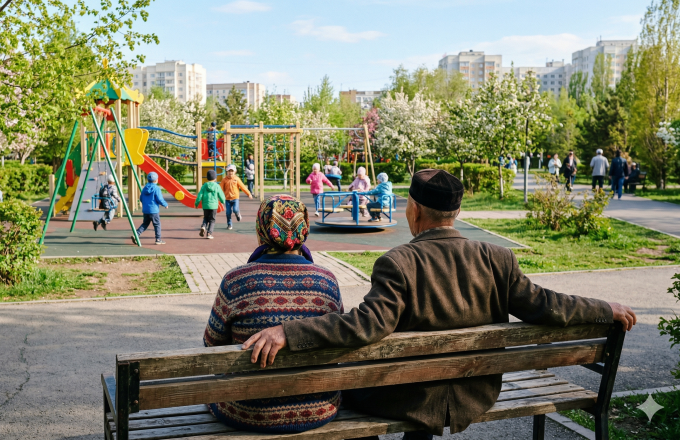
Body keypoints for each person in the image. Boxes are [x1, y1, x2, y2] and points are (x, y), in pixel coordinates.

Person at [243, 169, 637, 440]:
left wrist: (287, 332)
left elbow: (365, 326)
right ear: (456, 212)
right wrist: (606, 308)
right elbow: (549, 306)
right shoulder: (497, 258)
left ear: (413, 210)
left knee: (344, 387)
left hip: (407, 397)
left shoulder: (398, 262)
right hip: (478, 391)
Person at [203, 195, 343, 434]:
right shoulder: (327, 280)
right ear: (304, 228)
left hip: (247, 410)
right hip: (320, 406)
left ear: (262, 228)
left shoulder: (236, 281)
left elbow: (211, 343)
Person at [132, 172, 168, 245]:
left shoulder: (144, 188)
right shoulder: (156, 188)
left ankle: (136, 234)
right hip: (154, 210)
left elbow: (141, 198)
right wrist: (165, 204)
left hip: (146, 210)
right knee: (157, 224)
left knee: (145, 223)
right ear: (156, 180)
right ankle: (158, 239)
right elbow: (159, 199)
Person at [220, 164, 253, 230]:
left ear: (235, 172)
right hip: (227, 199)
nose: (230, 173)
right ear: (227, 171)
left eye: (232, 171)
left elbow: (243, 187)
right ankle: (229, 224)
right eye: (229, 171)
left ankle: (237, 214)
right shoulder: (224, 180)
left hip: (235, 198)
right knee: (228, 212)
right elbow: (220, 188)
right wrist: (218, 195)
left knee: (235, 209)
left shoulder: (236, 179)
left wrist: (248, 193)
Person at [195, 170, 226, 239]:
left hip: (205, 206)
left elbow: (200, 195)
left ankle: (203, 226)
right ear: (215, 178)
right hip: (214, 206)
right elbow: (221, 195)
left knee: (205, 218)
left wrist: (196, 203)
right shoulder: (217, 186)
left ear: (207, 178)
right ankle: (209, 233)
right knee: (212, 220)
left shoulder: (204, 186)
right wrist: (223, 201)